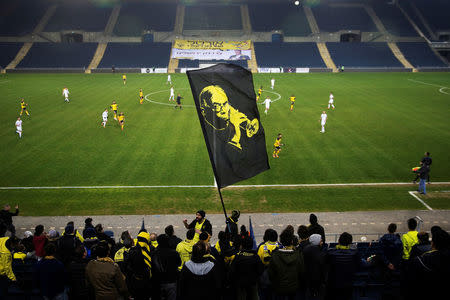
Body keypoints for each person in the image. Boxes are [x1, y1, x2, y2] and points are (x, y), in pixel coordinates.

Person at [268, 227, 305, 298]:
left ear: (281, 241)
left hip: (279, 287)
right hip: (294, 287)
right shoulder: (298, 255)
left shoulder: (275, 255)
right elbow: (302, 272)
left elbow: (271, 274)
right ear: (292, 241)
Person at [325, 232, 360, 300]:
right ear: (350, 243)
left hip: (333, 283)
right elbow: (361, 264)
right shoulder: (354, 253)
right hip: (347, 284)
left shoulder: (330, 252)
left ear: (338, 241)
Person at [229, 234, 264, 300]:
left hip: (241, 285)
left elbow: (232, 271)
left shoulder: (238, 257)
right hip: (253, 284)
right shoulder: (256, 257)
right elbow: (260, 270)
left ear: (241, 246)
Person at [152, 234, 182, 300]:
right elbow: (179, 263)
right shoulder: (174, 253)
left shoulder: (155, 253)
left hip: (159, 282)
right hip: (171, 280)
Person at [303, 234, 327, 299]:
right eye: (321, 241)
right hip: (318, 279)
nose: (322, 242)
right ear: (317, 242)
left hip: (307, 277)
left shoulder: (305, 249)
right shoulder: (321, 253)